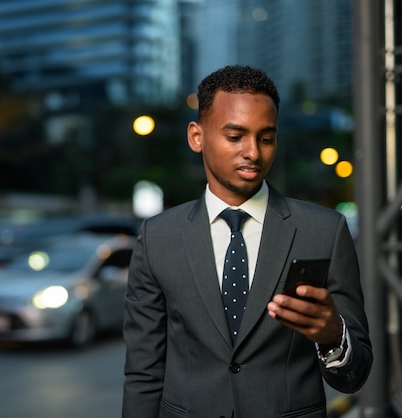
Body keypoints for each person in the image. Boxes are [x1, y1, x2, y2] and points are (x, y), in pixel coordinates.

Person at [122, 65, 372, 418]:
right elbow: (143, 374)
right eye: (235, 136)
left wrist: (334, 336)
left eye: (266, 137)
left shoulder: (325, 231)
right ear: (197, 136)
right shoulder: (157, 237)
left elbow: (355, 376)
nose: (253, 152)